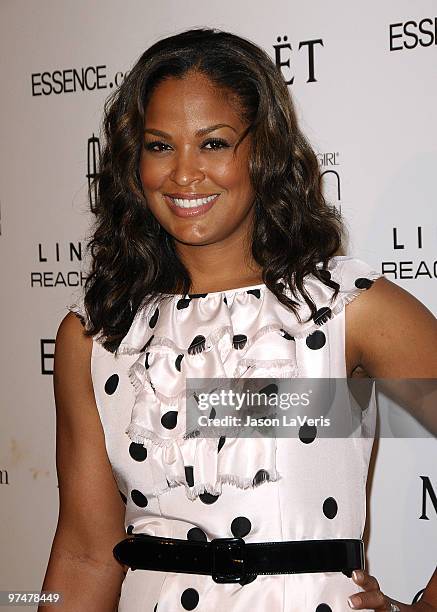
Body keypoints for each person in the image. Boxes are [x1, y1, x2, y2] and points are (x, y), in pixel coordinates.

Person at [39, 27, 437, 612]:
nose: (183, 174)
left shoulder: (345, 309)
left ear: (264, 151)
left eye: (215, 143)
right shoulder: (97, 335)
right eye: (159, 145)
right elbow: (85, 553)